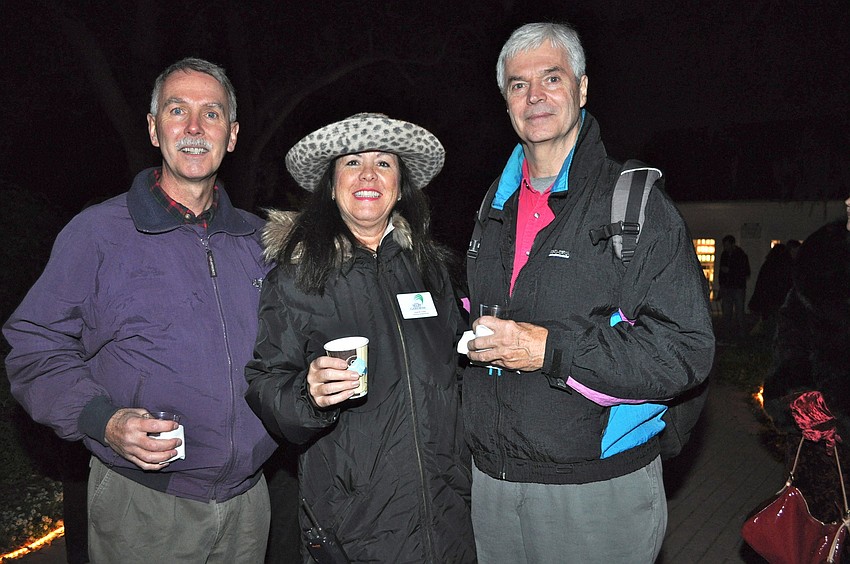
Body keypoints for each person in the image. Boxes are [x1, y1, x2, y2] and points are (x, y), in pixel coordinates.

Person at [3, 57, 279, 563]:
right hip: (145, 508)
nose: (194, 128)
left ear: (232, 134)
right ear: (154, 129)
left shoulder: (258, 242)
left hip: (249, 504)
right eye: (178, 111)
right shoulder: (99, 234)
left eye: (211, 114)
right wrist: (103, 421)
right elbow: (34, 349)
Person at [462, 22, 715, 563]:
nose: (535, 97)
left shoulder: (634, 204)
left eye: (551, 79)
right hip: (494, 488)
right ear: (505, 103)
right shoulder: (492, 207)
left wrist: (551, 349)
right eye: (518, 84)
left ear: (581, 89)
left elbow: (686, 350)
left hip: (597, 492)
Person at [244, 113, 475, 562]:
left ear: (401, 185)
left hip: (448, 517)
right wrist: (307, 395)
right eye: (352, 162)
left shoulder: (428, 269)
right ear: (331, 185)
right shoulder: (296, 278)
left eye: (384, 163)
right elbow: (265, 383)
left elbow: (456, 371)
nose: (368, 175)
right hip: (355, 528)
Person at [762, 196, 850, 534]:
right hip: (826, 452)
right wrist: (798, 399)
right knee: (818, 541)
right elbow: (790, 341)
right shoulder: (821, 259)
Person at [747, 243, 793, 339]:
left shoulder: (768, 264)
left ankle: (769, 337)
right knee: (777, 320)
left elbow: (761, 282)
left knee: (769, 319)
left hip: (768, 297)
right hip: (779, 297)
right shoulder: (786, 264)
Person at [718, 234, 751, 338]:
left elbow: (745, 272)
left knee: (739, 312)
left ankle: (739, 333)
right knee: (728, 312)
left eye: (727, 245)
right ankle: (728, 333)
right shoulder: (725, 255)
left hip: (737, 287)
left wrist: (729, 272)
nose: (725, 247)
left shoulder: (741, 255)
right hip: (730, 287)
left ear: (732, 244)